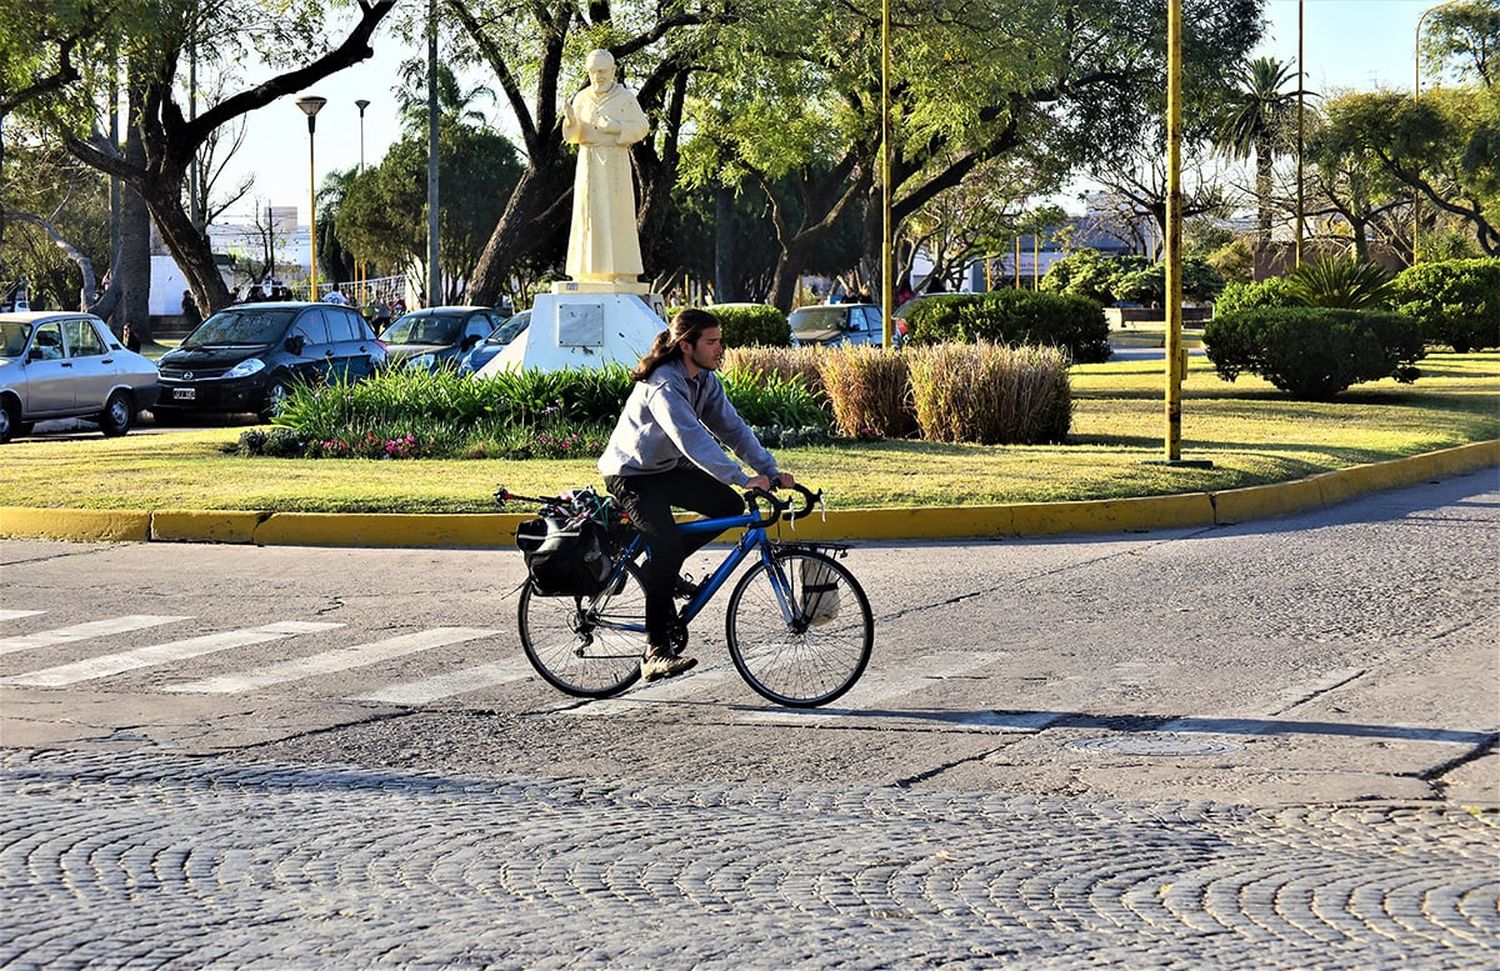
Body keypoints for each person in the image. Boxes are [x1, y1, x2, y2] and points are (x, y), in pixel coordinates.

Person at [598, 308, 795, 682]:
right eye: (712, 342)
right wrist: (739, 476)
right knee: (668, 548)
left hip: (666, 469)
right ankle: (655, 651)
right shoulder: (664, 384)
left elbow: (734, 429)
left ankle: (661, 568)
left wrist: (769, 470)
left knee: (728, 505)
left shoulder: (704, 380)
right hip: (632, 474)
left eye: (720, 341)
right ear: (686, 345)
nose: (720, 348)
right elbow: (690, 438)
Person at [562, 49, 650, 286]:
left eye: (602, 71)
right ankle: (584, 272)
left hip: (614, 162)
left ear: (612, 71)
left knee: (616, 217)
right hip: (588, 162)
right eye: (592, 72)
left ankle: (621, 271)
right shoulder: (581, 98)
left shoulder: (625, 98)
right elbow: (575, 133)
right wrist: (570, 121)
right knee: (586, 216)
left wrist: (616, 127)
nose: (597, 77)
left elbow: (642, 127)